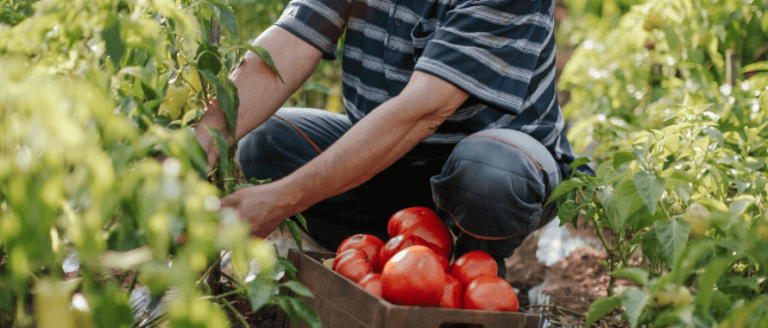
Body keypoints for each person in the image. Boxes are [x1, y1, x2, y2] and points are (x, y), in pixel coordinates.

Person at [194, 0, 589, 277]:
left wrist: (281, 199)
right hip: (391, 161)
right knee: (268, 141)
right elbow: (291, 43)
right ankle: (390, 260)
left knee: (491, 176)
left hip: (491, 167)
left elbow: (422, 111)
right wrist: (195, 149)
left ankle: (472, 275)